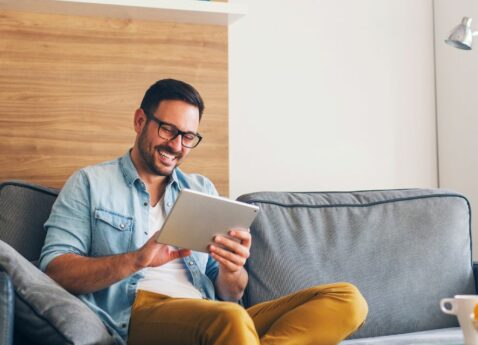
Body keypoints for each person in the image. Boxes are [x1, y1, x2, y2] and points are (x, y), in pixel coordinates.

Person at [39, 79, 368, 345]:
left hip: (213, 315)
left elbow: (231, 293)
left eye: (188, 137)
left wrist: (232, 270)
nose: (176, 146)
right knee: (231, 319)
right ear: (140, 121)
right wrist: (137, 259)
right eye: (168, 130)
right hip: (137, 315)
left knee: (347, 299)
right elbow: (54, 271)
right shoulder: (90, 183)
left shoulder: (200, 190)